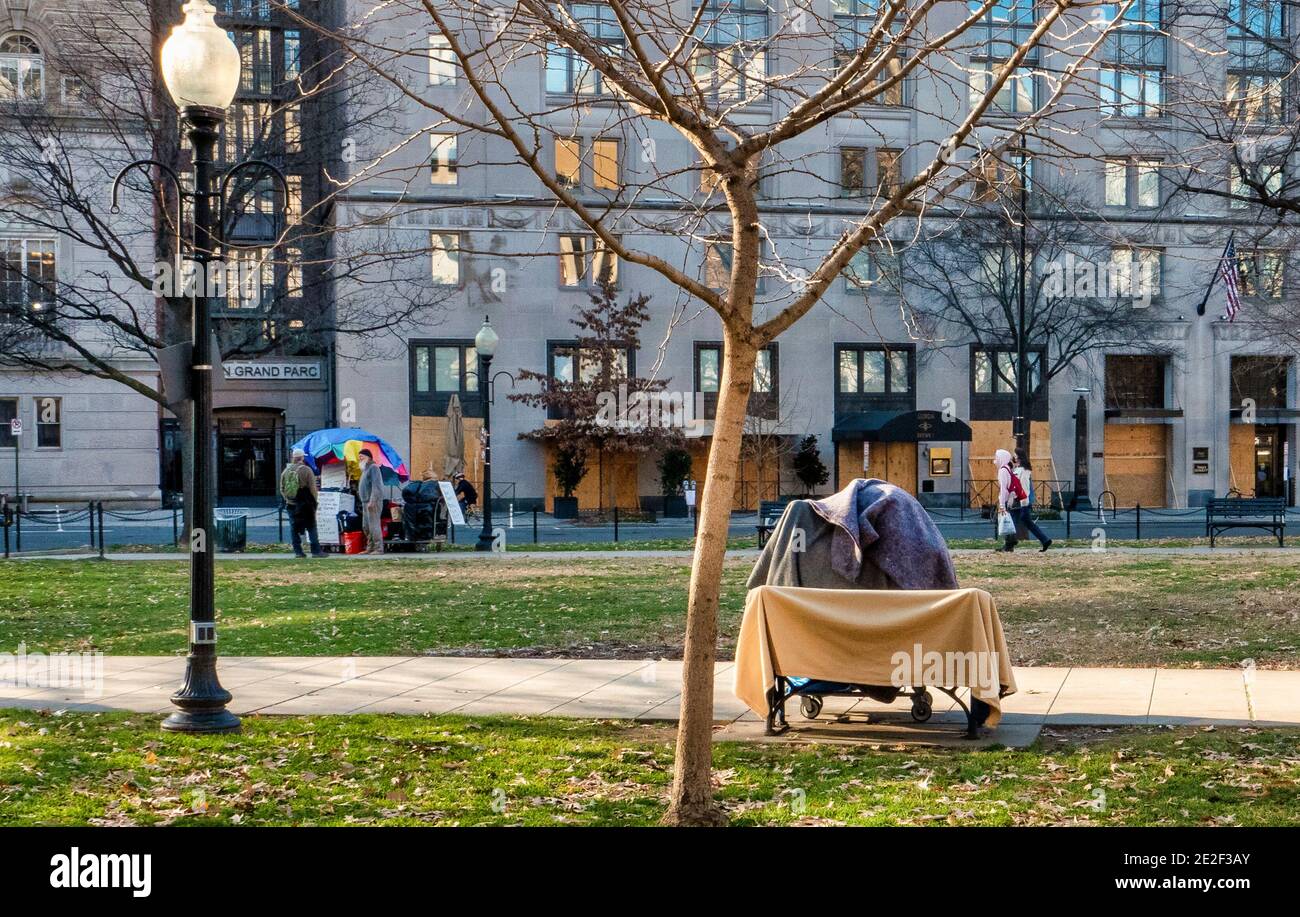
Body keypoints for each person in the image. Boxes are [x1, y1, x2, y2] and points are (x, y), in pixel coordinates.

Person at [281, 448, 325, 558]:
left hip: (291, 504)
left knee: (294, 528)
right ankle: (316, 551)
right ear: (302, 458)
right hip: (306, 504)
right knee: (311, 526)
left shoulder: (286, 471)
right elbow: (312, 488)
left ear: (293, 458)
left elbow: (281, 488)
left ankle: (298, 552)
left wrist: (288, 499)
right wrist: (315, 502)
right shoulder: (306, 470)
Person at [1013, 447, 1052, 552]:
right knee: (1025, 522)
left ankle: (1010, 543)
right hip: (1019, 501)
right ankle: (1045, 540)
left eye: (1015, 455)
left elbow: (1024, 487)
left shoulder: (1023, 471)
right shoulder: (1019, 469)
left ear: (1019, 457)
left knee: (1019, 521)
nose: (1014, 457)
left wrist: (1024, 503)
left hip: (1021, 502)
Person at [357, 447, 385, 554]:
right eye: (359, 457)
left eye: (362, 456)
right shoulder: (365, 469)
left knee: (374, 526)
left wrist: (372, 501)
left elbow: (377, 486)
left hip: (373, 502)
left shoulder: (374, 468)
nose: (360, 458)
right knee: (366, 526)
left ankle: (378, 548)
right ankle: (370, 548)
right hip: (365, 502)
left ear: (368, 457)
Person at [993, 448, 1020, 553]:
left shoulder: (1002, 470)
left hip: (1005, 499)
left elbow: (1004, 488)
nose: (995, 460)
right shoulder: (1008, 468)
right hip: (1009, 498)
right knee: (1007, 521)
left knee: (1004, 521)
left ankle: (1010, 543)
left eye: (997, 457)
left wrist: (1001, 504)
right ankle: (1010, 542)